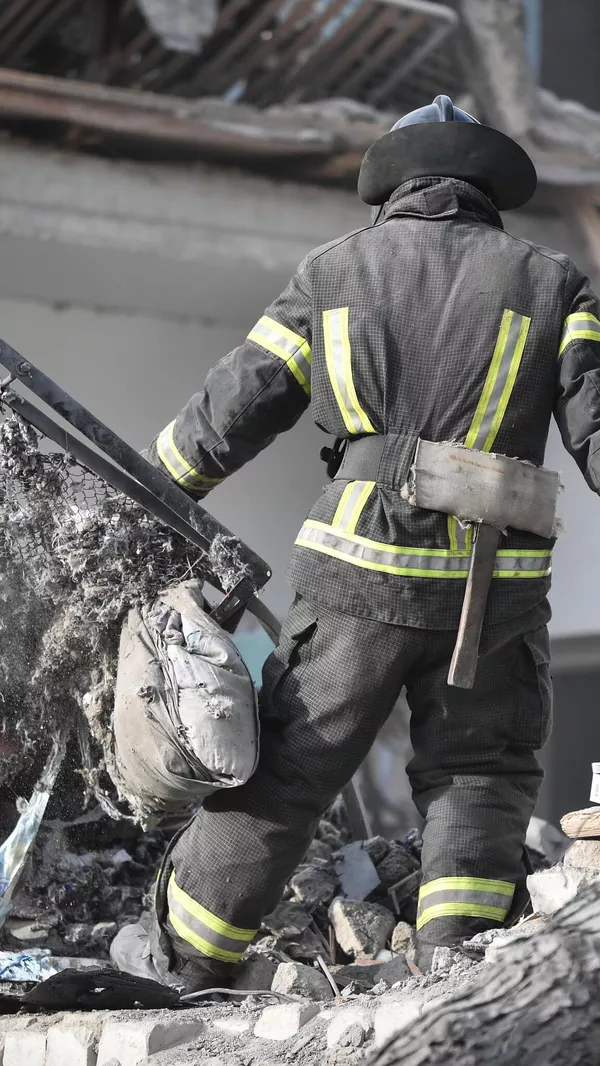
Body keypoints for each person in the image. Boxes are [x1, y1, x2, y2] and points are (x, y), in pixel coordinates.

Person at [111, 95, 600, 986]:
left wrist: (152, 493)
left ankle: (178, 964)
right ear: (487, 187)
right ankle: (459, 979)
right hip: (494, 592)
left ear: (395, 190)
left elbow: (235, 406)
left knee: (291, 772)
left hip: (357, 575)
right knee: (480, 774)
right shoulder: (554, 282)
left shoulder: (333, 272)